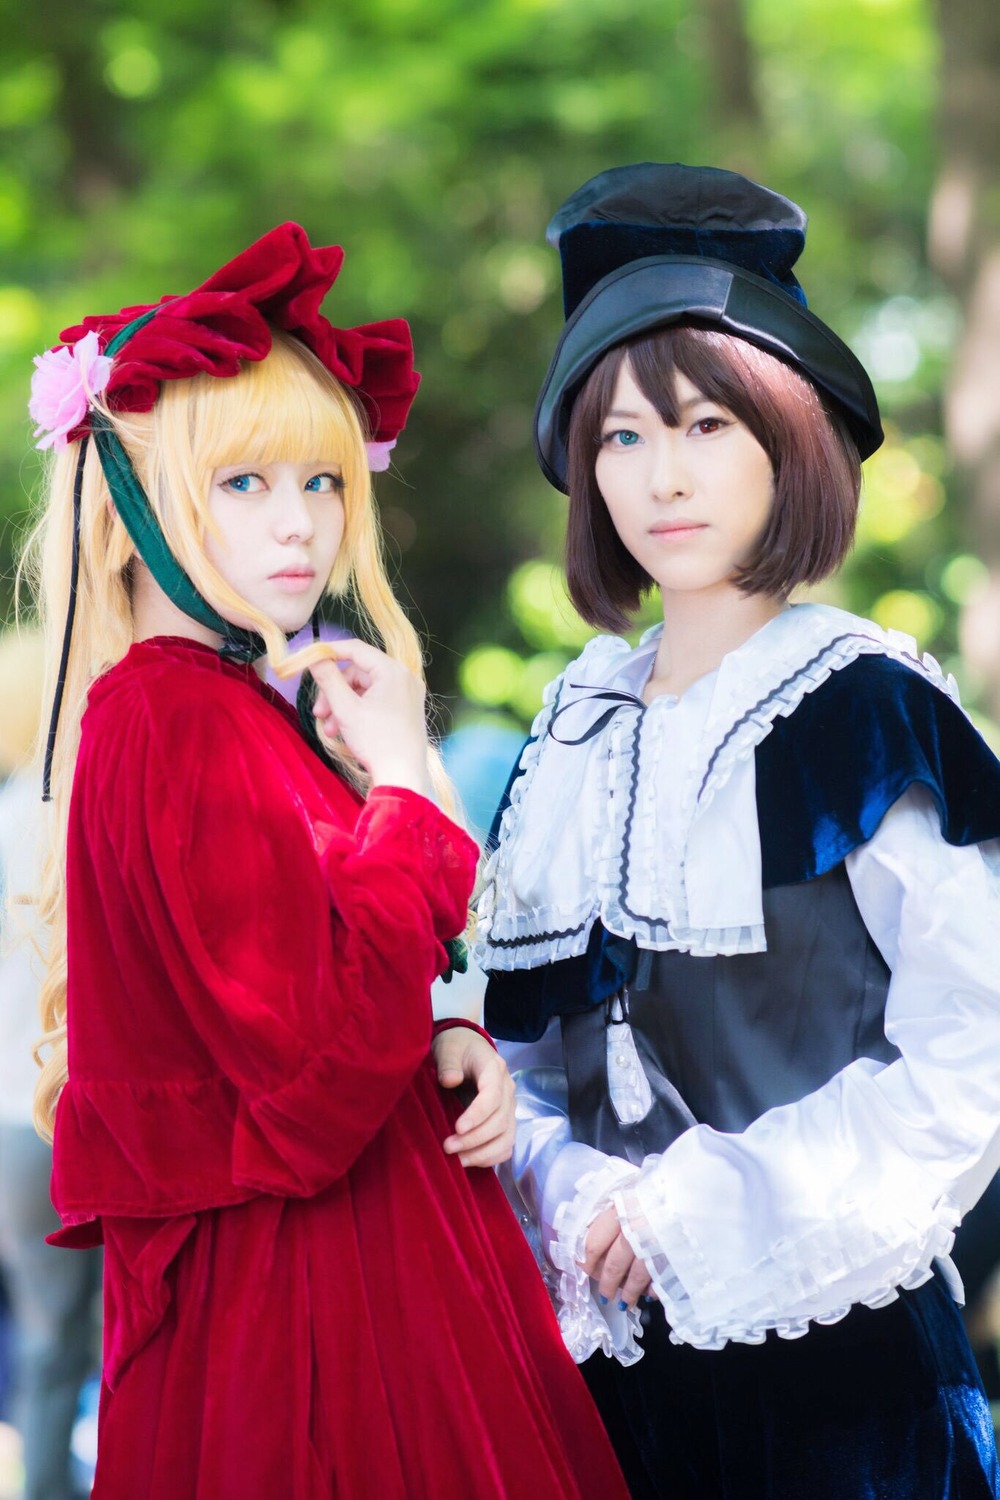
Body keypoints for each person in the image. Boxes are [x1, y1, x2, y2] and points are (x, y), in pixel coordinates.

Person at [26, 225, 629, 1500]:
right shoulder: (172, 712)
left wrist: (430, 1036)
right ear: (129, 511)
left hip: (345, 1270)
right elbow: (308, 1082)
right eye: (242, 484)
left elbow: (301, 1022)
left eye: (320, 481)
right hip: (315, 1310)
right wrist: (407, 781)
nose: (299, 525)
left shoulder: (222, 704)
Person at [476, 162, 1000, 1499]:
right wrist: (572, 1186)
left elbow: (973, 1047)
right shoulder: (574, 729)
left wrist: (703, 1213)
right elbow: (519, 1061)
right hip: (605, 1389)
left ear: (787, 440)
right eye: (622, 439)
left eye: (707, 425)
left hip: (846, 1382)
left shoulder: (864, 710)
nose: (664, 478)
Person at [0, 628, 100, 1500]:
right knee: (131, 1331)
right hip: (85, 1106)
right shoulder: (80, 799)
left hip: (8, 1126)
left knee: (43, 1342)